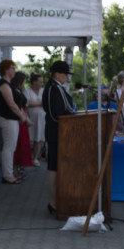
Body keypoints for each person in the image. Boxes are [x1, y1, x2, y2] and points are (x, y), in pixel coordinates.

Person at [43, 60, 76, 215]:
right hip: (56, 132)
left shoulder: (56, 88)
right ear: (57, 74)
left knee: (56, 166)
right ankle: (54, 201)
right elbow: (60, 112)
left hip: (60, 132)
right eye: (65, 74)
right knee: (54, 167)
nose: (67, 77)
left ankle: (58, 200)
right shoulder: (52, 88)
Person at [0, 59, 31, 184]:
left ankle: (9, 174)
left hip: (11, 119)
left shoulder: (8, 84)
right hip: (8, 118)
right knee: (9, 147)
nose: (14, 70)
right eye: (12, 68)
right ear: (6, 70)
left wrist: (22, 116)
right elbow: (11, 104)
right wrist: (22, 116)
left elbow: (16, 103)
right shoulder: (3, 84)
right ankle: (8, 175)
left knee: (11, 147)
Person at [11, 70, 34, 179]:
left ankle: (18, 169)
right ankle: (15, 171)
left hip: (22, 119)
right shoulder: (15, 92)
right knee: (18, 145)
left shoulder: (18, 91)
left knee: (21, 144)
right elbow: (20, 107)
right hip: (20, 120)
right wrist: (25, 119)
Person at [24, 72, 46, 162]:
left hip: (42, 119)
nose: (42, 83)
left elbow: (47, 103)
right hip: (30, 118)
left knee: (39, 138)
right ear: (34, 82)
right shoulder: (27, 90)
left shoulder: (43, 90)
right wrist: (41, 103)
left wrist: (35, 104)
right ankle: (26, 158)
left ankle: (35, 158)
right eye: (40, 82)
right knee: (28, 138)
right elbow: (27, 103)